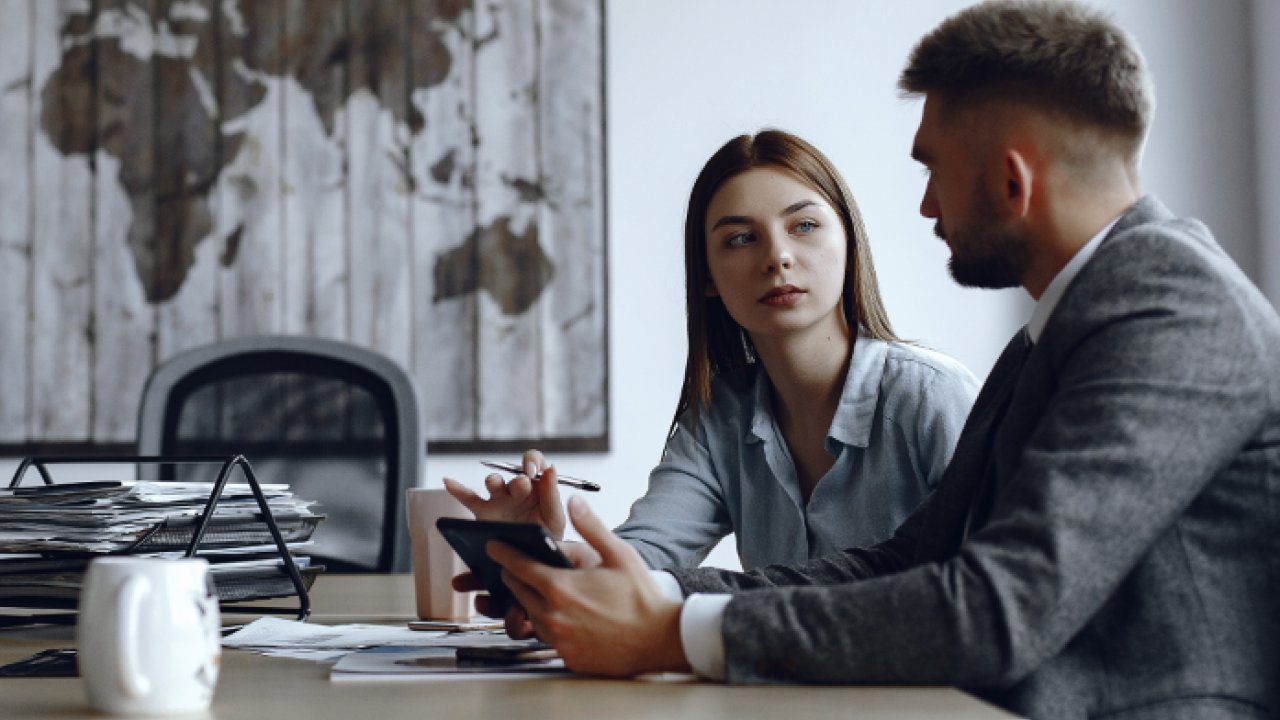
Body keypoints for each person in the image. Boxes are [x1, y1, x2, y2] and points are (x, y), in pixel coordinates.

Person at [476, 1, 1280, 717]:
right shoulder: (1066, 323)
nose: (925, 204)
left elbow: (998, 609)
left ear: (1011, 178)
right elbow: (910, 558)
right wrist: (638, 592)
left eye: (932, 166)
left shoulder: (1175, 310)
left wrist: (675, 633)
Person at [446, 130, 978, 570]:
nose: (778, 257)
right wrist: (539, 553)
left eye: (805, 226)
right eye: (740, 239)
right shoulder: (720, 417)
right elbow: (642, 560)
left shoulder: (932, 398)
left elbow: (992, 590)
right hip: (781, 693)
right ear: (707, 279)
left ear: (849, 243)